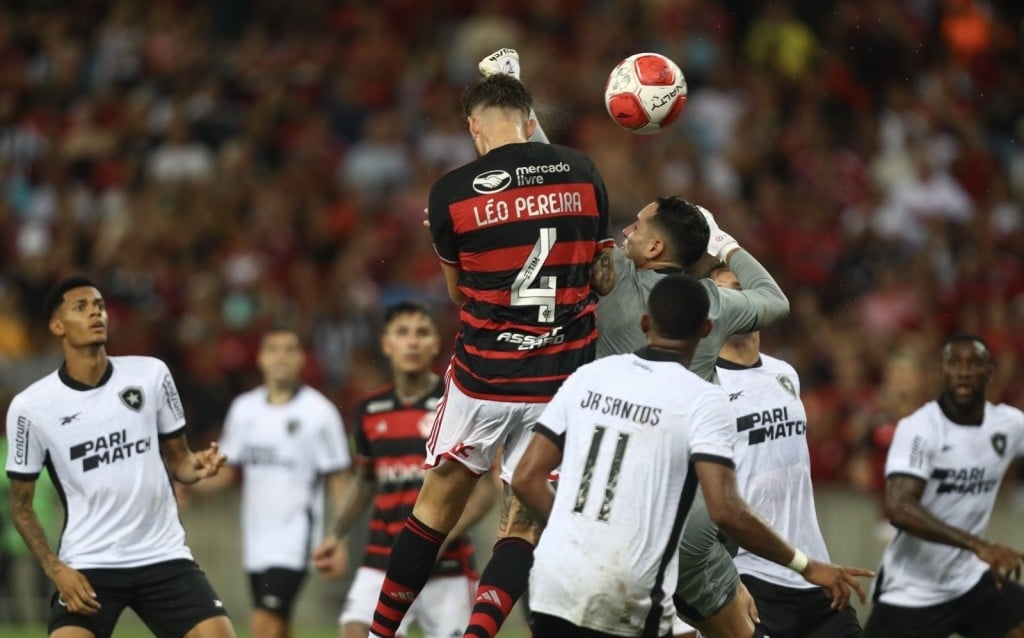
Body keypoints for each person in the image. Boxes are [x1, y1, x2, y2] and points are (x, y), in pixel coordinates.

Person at [478, 48, 787, 638]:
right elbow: (776, 301)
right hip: (695, 498)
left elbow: (556, 181)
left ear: (650, 252)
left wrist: (513, 94)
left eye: (637, 225)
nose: (625, 229)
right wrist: (723, 245)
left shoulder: (616, 277)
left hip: (623, 492)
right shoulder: (712, 304)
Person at [367, 69, 616, 638]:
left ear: (474, 126)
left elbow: (459, 294)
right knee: (522, 521)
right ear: (530, 118)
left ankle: (379, 635)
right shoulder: (583, 172)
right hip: (560, 378)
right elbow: (601, 277)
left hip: (484, 378)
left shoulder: (451, 192)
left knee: (434, 508)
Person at [511, 274, 872, 638]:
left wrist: (577, 532)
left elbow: (526, 478)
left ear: (645, 323)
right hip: (629, 586)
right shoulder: (701, 398)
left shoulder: (590, 376)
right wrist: (805, 565)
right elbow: (725, 510)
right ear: (708, 328)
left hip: (554, 581)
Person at [4, 275, 235, 638]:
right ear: (57, 325)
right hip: (89, 563)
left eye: (99, 305)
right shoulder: (31, 407)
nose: (95, 312)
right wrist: (55, 568)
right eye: (81, 307)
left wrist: (197, 466)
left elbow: (179, 461)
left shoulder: (150, 374)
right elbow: (21, 506)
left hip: (162, 555)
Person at [311, 301, 499, 638]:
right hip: (383, 560)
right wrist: (336, 534)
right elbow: (366, 481)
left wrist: (439, 539)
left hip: (449, 566)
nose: (412, 341)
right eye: (402, 333)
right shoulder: (368, 410)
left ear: (436, 344)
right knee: (354, 631)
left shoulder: (458, 405)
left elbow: (485, 490)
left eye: (422, 333)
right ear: (386, 344)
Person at [712, 265, 863, 637]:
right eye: (725, 292)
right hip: (752, 576)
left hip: (815, 571)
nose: (739, 298)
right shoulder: (705, 386)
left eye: (744, 288)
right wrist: (726, 580)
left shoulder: (785, 374)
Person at [191, 326, 352, 638]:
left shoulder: (320, 413)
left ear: (302, 359)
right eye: (274, 349)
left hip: (295, 538)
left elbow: (337, 479)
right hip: (257, 540)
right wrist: (190, 484)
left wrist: (339, 539)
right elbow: (225, 470)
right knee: (278, 627)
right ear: (261, 358)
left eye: (290, 349)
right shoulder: (244, 409)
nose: (282, 356)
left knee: (263, 625)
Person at [863, 334, 1024, 638]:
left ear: (989, 372)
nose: (963, 371)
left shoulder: (1009, 425)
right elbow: (900, 508)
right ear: (941, 372)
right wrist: (978, 545)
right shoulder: (919, 429)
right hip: (912, 592)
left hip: (970, 581)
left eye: (973, 363)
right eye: (954, 363)